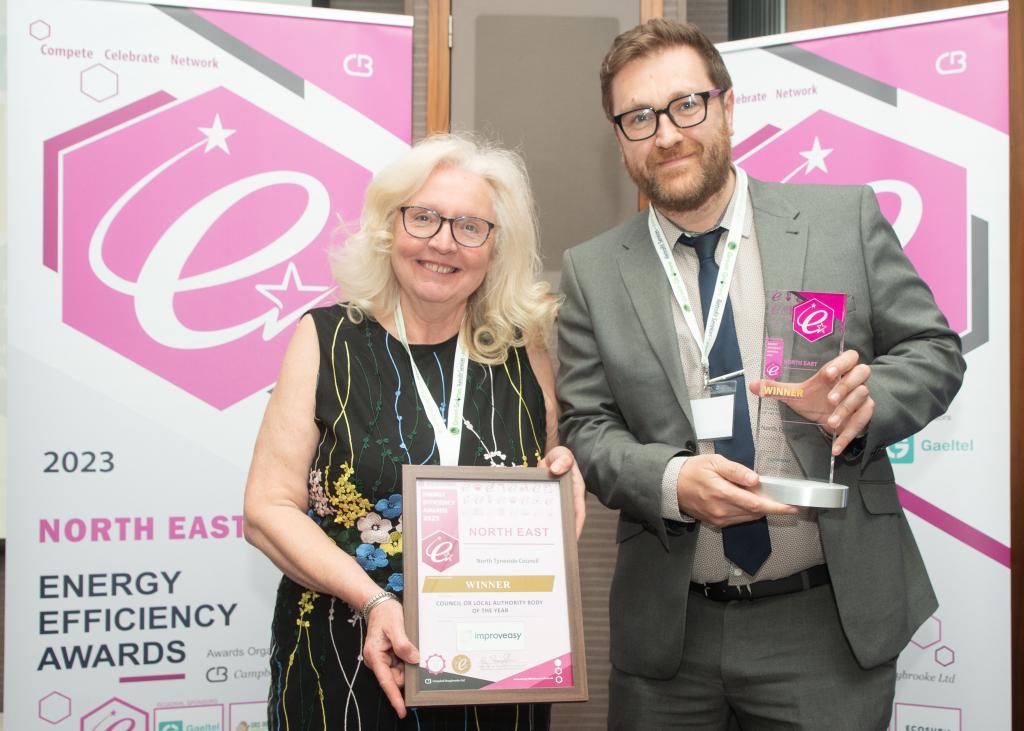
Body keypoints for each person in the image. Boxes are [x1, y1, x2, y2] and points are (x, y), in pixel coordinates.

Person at [556, 19, 965, 730]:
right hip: (670, 637)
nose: (668, 134)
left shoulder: (843, 220)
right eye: (640, 117)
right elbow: (587, 428)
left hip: (826, 623)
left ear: (727, 105)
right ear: (620, 139)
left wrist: (863, 404)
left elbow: (933, 352)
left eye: (688, 104)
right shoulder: (591, 272)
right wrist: (669, 481)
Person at [244, 133, 585, 730]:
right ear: (389, 227)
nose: (443, 243)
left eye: (469, 226)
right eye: (423, 217)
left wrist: (564, 476)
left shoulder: (522, 351)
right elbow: (267, 509)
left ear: (494, 247)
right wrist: (372, 600)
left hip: (497, 671)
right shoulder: (327, 340)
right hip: (344, 662)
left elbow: (545, 472)